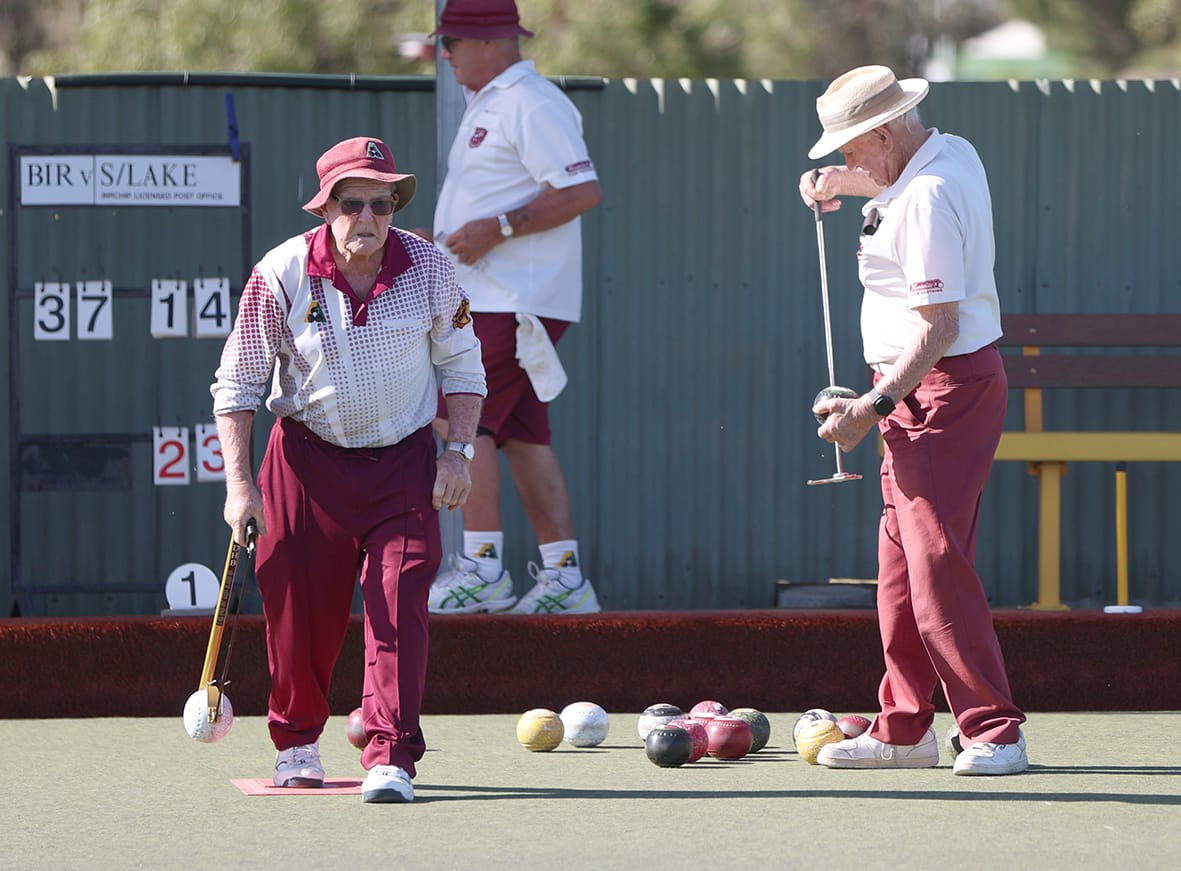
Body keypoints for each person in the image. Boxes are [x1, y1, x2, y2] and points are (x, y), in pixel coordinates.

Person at [210, 136, 486, 803]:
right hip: (305, 460)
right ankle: (297, 741)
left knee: (399, 603)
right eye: (353, 202)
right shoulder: (280, 272)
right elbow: (237, 384)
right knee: (299, 609)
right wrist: (240, 485)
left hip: (403, 463)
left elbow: (464, 366)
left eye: (382, 204)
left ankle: (390, 753)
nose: (368, 217)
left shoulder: (429, 267)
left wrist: (459, 451)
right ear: (325, 205)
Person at [800, 66, 1028, 775]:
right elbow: (892, 183)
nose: (844, 160)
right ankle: (904, 727)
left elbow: (935, 329)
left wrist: (870, 409)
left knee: (932, 562)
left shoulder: (924, 196)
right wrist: (848, 184)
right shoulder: (946, 151)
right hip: (923, 389)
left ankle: (994, 730)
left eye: (850, 149)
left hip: (938, 389)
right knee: (899, 563)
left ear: (883, 131)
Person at [420, 0, 604, 615]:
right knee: (523, 435)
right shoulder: (498, 100)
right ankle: (565, 577)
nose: (444, 54)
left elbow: (581, 190)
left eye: (453, 41)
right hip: (504, 299)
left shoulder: (531, 100)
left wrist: (494, 228)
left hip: (510, 302)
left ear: (492, 40)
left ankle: (482, 570)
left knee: (455, 418)